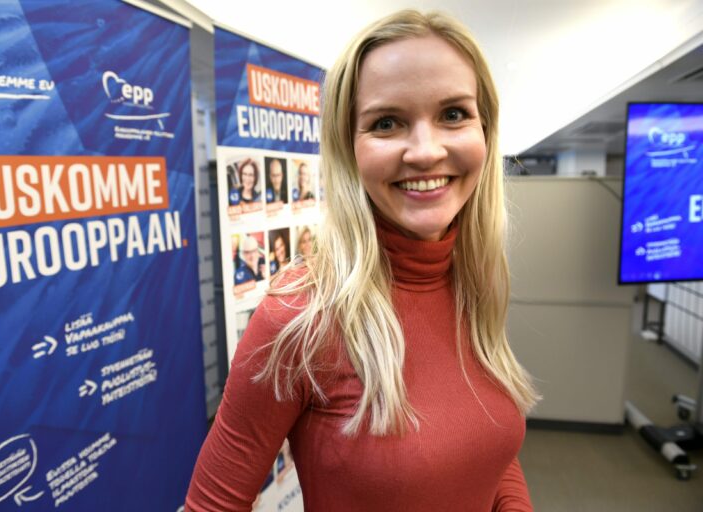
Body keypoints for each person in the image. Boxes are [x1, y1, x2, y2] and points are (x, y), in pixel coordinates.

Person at [187, 10, 538, 511]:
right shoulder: (302, 316)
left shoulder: (470, 282)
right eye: (387, 123)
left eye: (453, 114)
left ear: (485, 130)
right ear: (348, 147)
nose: (425, 151)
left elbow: (489, 451)